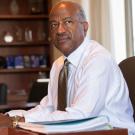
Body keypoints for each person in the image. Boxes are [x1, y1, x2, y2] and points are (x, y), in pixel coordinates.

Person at [0, 1, 135, 134]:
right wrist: (10, 117)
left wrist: (18, 121)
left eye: (68, 22)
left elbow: (80, 116)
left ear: (85, 27)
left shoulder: (98, 60)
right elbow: (49, 108)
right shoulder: (59, 64)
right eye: (54, 24)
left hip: (112, 131)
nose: (59, 30)